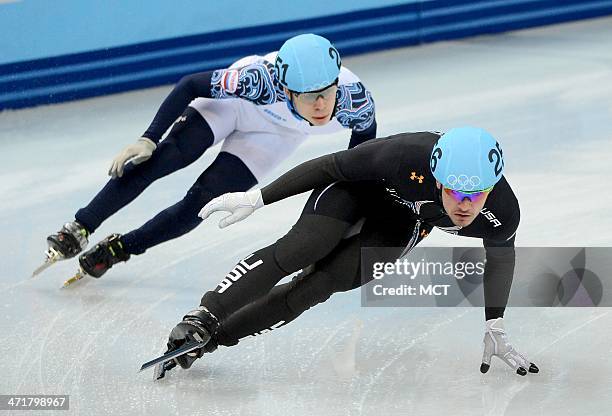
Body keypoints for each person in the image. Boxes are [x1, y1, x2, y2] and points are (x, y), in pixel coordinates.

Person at [162, 126, 539, 377]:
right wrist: (258, 197)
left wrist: (495, 324)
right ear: (437, 177)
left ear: (491, 188)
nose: (465, 205)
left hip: (404, 220)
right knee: (304, 248)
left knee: (321, 285)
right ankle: (203, 318)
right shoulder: (403, 155)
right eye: (455, 192)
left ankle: (214, 339)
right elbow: (329, 166)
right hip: (357, 188)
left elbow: (501, 259)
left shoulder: (502, 214)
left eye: (476, 195)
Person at [35, 34, 377, 279]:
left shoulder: (355, 103)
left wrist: (347, 204)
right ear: (285, 89)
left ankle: (120, 249)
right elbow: (191, 85)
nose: (321, 105)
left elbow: (355, 160)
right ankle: (79, 227)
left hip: (279, 134)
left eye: (327, 93)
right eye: (309, 96)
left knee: (200, 204)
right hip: (235, 108)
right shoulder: (258, 81)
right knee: (162, 159)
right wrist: (149, 137)